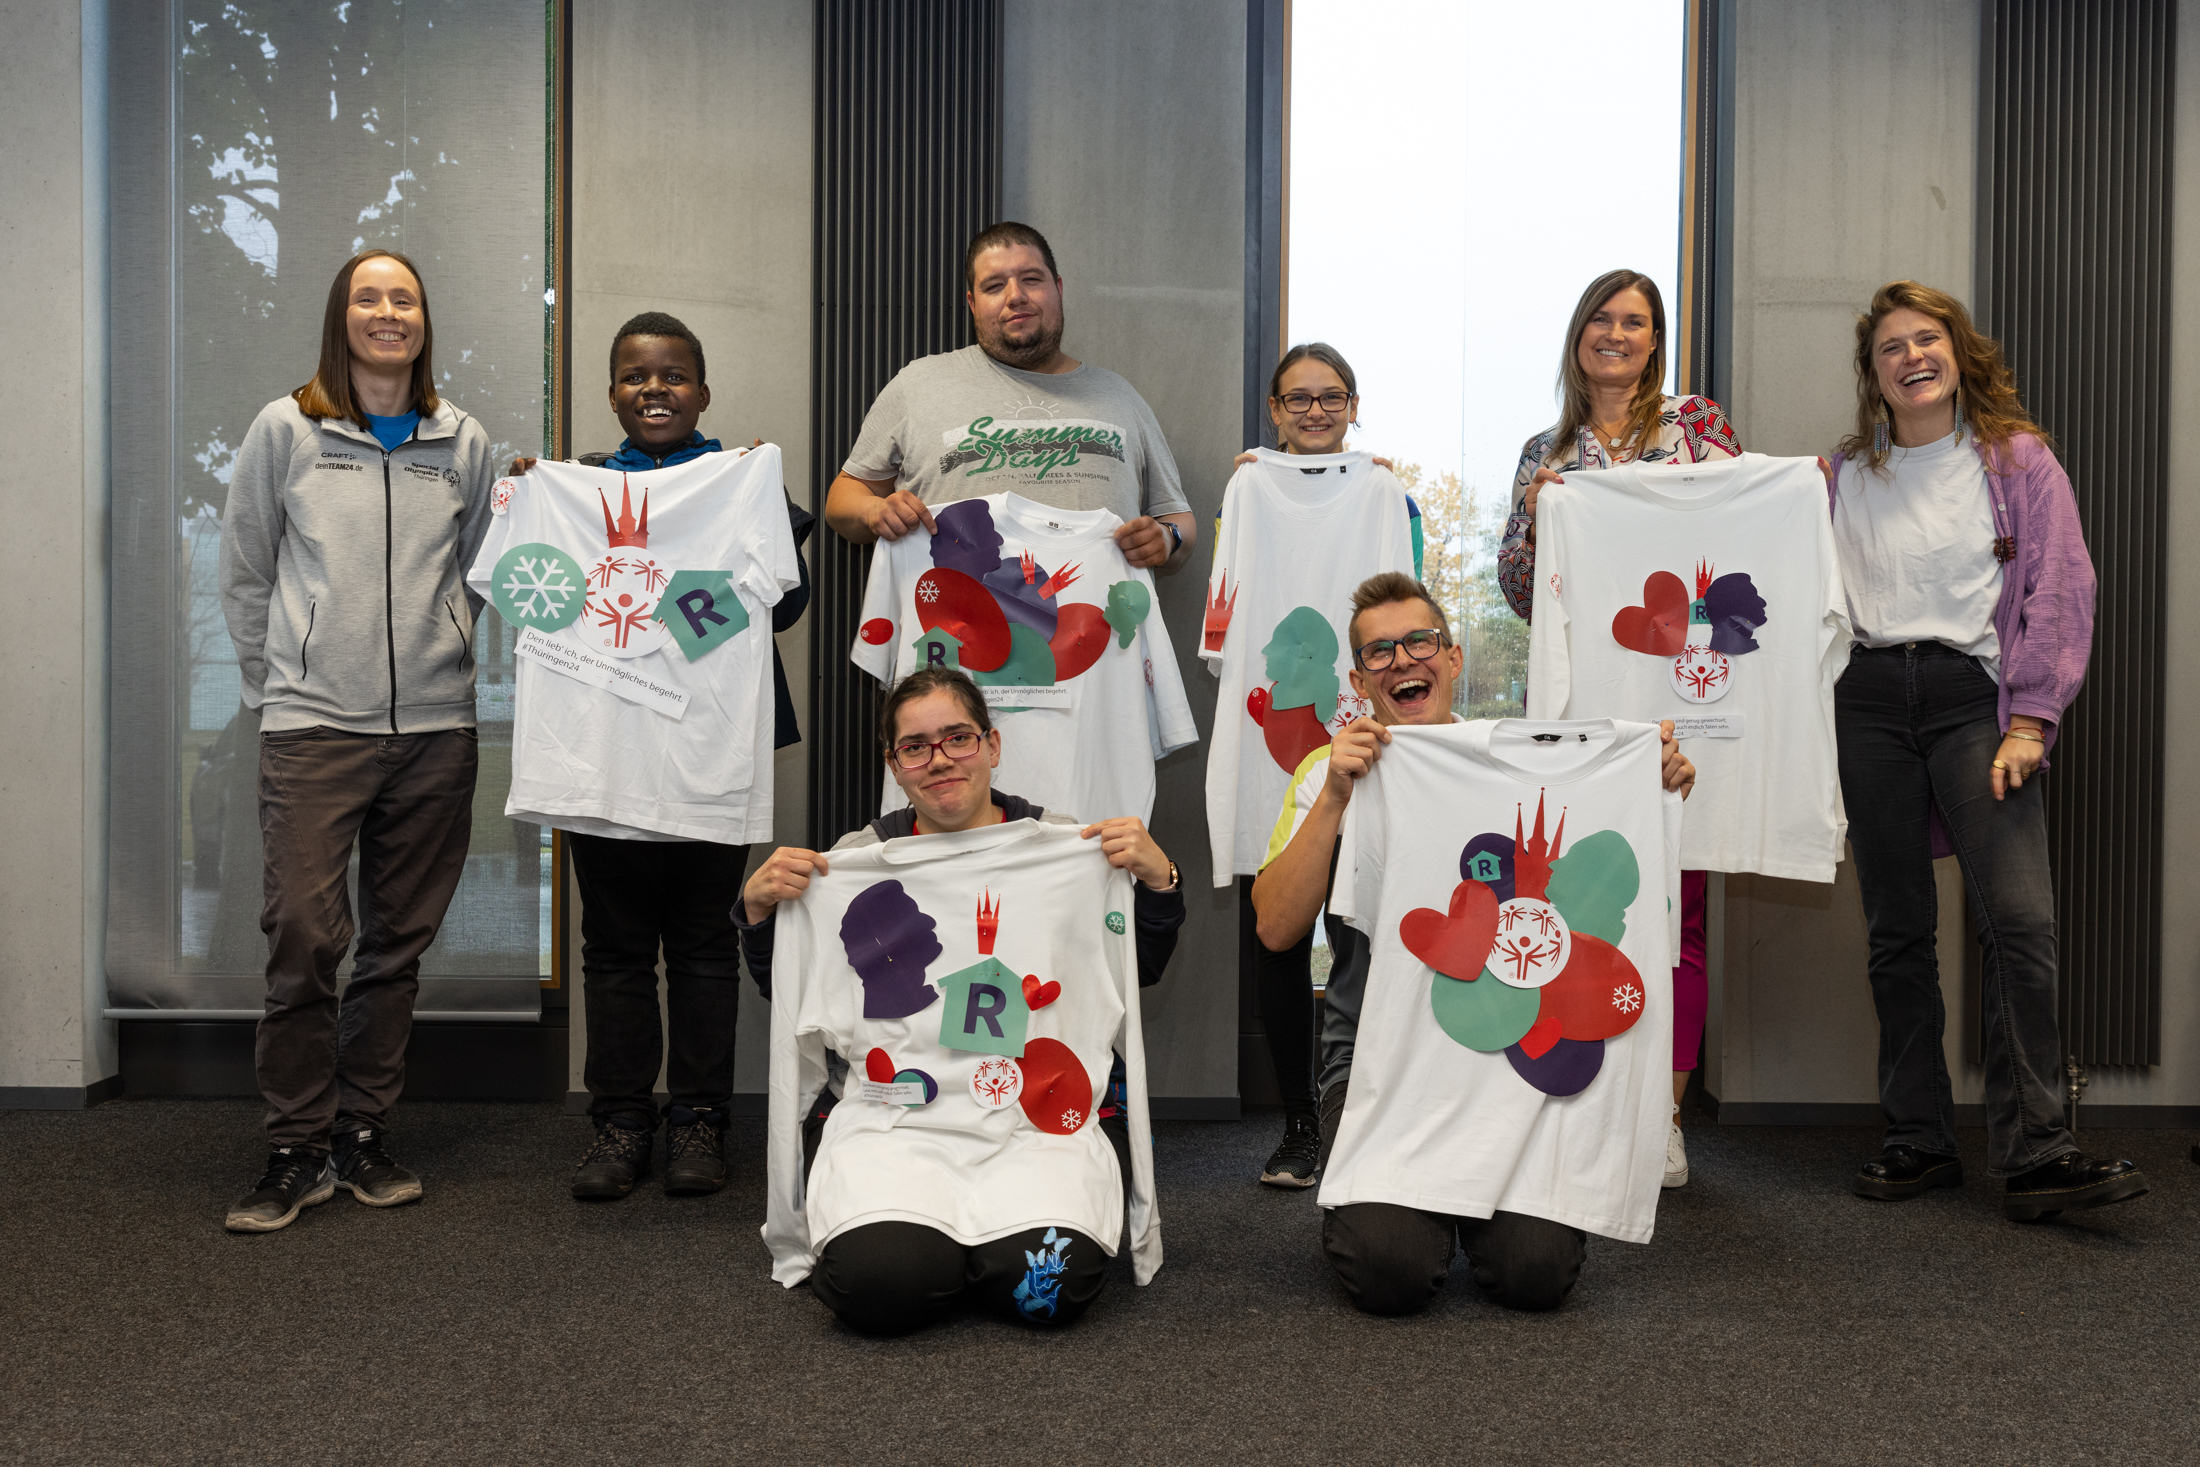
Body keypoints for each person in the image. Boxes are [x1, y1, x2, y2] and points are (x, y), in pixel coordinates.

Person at [1252, 573, 1695, 1315]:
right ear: (1360, 680)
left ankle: (1474, 1204)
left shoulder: (1522, 770)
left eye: (1418, 641)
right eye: (1379, 652)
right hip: (1381, 1072)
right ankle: (1411, 1203)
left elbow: (1601, 879)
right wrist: (1335, 795)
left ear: (1453, 658)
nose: (1402, 660)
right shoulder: (1332, 772)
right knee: (1388, 1273)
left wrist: (1650, 790)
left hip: (1508, 1070)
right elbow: (1274, 926)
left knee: (1537, 1275)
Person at [1827, 281, 2145, 1221]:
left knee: (2019, 925)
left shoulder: (2016, 462)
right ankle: (1919, 1139)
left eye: (1928, 339)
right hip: (1869, 703)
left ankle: (2039, 1150)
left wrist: (2032, 718)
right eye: (1891, 346)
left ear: (1958, 353)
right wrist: (1591, 496)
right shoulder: (1840, 475)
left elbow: (2061, 588)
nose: (1911, 356)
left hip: (1979, 702)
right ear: (1873, 373)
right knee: (1897, 929)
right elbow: (1727, 511)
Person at [740, 667, 1185, 1334]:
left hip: (1031, 1128)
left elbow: (1133, 969)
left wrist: (1158, 881)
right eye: (915, 745)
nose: (940, 758)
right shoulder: (854, 864)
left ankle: (966, 1254)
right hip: (898, 1128)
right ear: (893, 764)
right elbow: (793, 992)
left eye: (958, 737)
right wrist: (758, 913)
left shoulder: (1066, 851)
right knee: (880, 1290)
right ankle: (939, 1254)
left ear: (993, 744)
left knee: (1049, 1290)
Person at [217, 249, 498, 1232]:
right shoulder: (285, 427)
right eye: (370, 297)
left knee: (394, 947)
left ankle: (362, 1133)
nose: (388, 313)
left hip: (433, 732)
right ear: (342, 316)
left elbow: (482, 574)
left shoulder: (460, 438)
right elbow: (247, 569)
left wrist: (453, 657)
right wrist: (277, 688)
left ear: (424, 320)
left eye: (405, 298)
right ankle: (295, 1142)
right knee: (302, 936)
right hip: (313, 728)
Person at [512, 312, 813, 1200]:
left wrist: (762, 503)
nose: (655, 389)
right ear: (611, 393)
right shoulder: (577, 489)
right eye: (637, 376)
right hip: (602, 753)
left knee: (704, 946)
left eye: (674, 375)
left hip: (707, 753)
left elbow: (782, 612)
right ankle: (620, 1118)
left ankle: (699, 1118)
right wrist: (531, 498)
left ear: (703, 392)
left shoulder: (740, 479)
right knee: (611, 949)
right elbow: (532, 593)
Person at [1498, 269, 1741, 1189]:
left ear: (1655, 337)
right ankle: (1587, 1103)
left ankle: (1666, 1120)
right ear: (1578, 335)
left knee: (1680, 920)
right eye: (1602, 319)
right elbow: (1521, 593)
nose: (1617, 334)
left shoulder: (1699, 428)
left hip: (1684, 702)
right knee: (1584, 908)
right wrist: (1536, 517)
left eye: (1635, 321)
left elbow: (1741, 536)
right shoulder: (1544, 448)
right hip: (1583, 713)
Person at [1223, 343, 1419, 1190]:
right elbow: (1225, 620)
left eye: (1329, 396)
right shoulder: (1244, 486)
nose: (1313, 411)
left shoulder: (1382, 490)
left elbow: (1403, 614)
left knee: (1363, 929)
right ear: (1273, 409)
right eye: (1296, 399)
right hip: (1265, 736)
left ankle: (1366, 1112)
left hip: (1359, 734)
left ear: (1353, 403)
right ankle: (1299, 1124)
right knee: (1277, 926)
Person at [824, 221, 1196, 574]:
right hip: (953, 632)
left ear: (1059, 288)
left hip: (1095, 630)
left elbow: (1178, 518)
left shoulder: (1120, 396)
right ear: (972, 303)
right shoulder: (917, 383)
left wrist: (1167, 539)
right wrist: (873, 510)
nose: (1016, 296)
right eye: (994, 286)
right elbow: (842, 498)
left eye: (1032, 280)